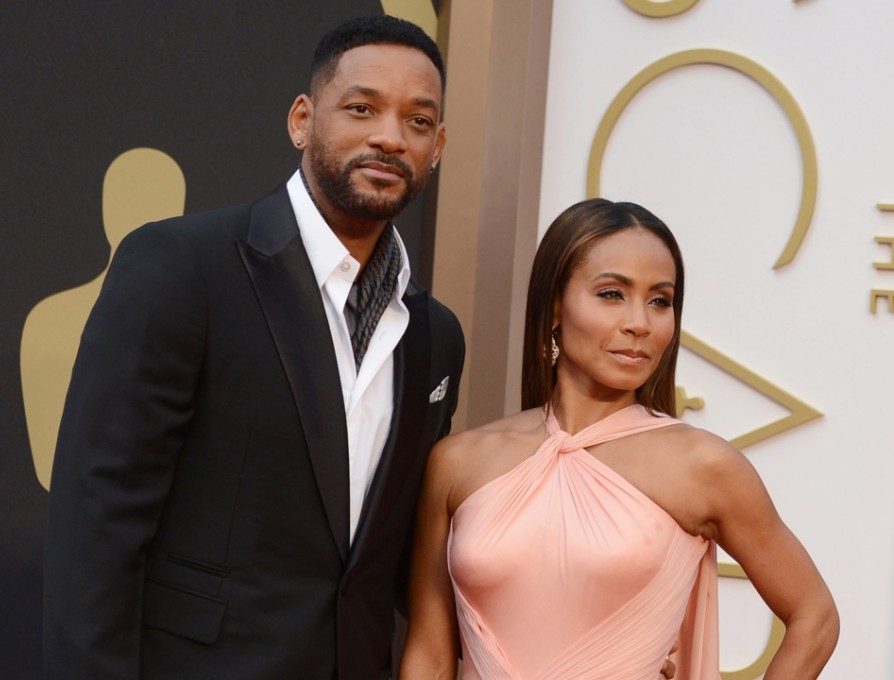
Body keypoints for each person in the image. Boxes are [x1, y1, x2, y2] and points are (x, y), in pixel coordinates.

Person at [44, 15, 464, 680]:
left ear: (436, 145)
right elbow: (95, 526)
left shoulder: (435, 336)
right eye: (361, 109)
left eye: (417, 121)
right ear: (302, 120)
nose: (390, 137)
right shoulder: (183, 267)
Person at [400, 198, 839, 679]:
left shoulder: (704, 466)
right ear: (554, 307)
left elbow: (814, 616)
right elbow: (430, 654)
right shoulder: (458, 463)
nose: (640, 323)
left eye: (660, 301)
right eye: (612, 294)